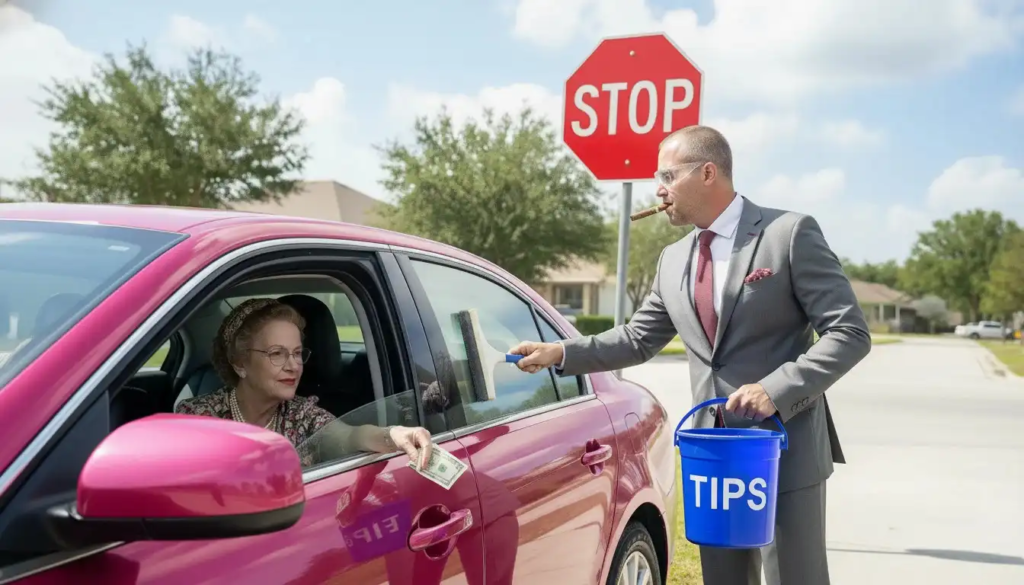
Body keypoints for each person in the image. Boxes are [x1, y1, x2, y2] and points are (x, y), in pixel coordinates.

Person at [510, 126, 870, 585]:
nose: (658, 189)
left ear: (707, 172)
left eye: (666, 175)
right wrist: (560, 352)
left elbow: (850, 333)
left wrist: (775, 390)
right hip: (714, 454)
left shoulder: (789, 234)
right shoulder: (673, 259)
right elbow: (638, 339)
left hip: (785, 449)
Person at [175, 298, 432, 469]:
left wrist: (393, 435)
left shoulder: (301, 415)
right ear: (240, 363)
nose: (293, 365)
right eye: (277, 353)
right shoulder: (198, 418)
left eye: (297, 353)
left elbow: (349, 436)